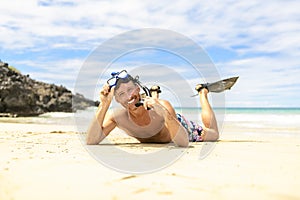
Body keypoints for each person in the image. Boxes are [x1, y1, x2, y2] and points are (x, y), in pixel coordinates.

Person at [86, 70, 219, 147]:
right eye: (121, 94)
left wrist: (166, 115)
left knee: (213, 134)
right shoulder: (118, 117)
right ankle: (154, 92)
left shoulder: (162, 106)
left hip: (177, 124)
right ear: (117, 100)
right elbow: (91, 140)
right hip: (157, 114)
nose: (128, 96)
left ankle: (203, 92)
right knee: (154, 103)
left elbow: (183, 143)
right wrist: (104, 104)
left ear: (138, 89)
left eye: (130, 89)